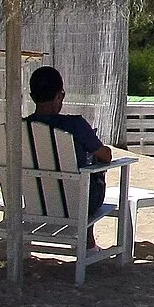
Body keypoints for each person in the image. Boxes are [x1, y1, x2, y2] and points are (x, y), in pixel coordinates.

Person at [24, 65, 112, 230]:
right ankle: (89, 244)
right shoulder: (75, 125)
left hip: (36, 201)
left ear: (32, 97)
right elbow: (106, 156)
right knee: (89, 172)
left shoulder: (22, 128)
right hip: (76, 203)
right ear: (59, 95)